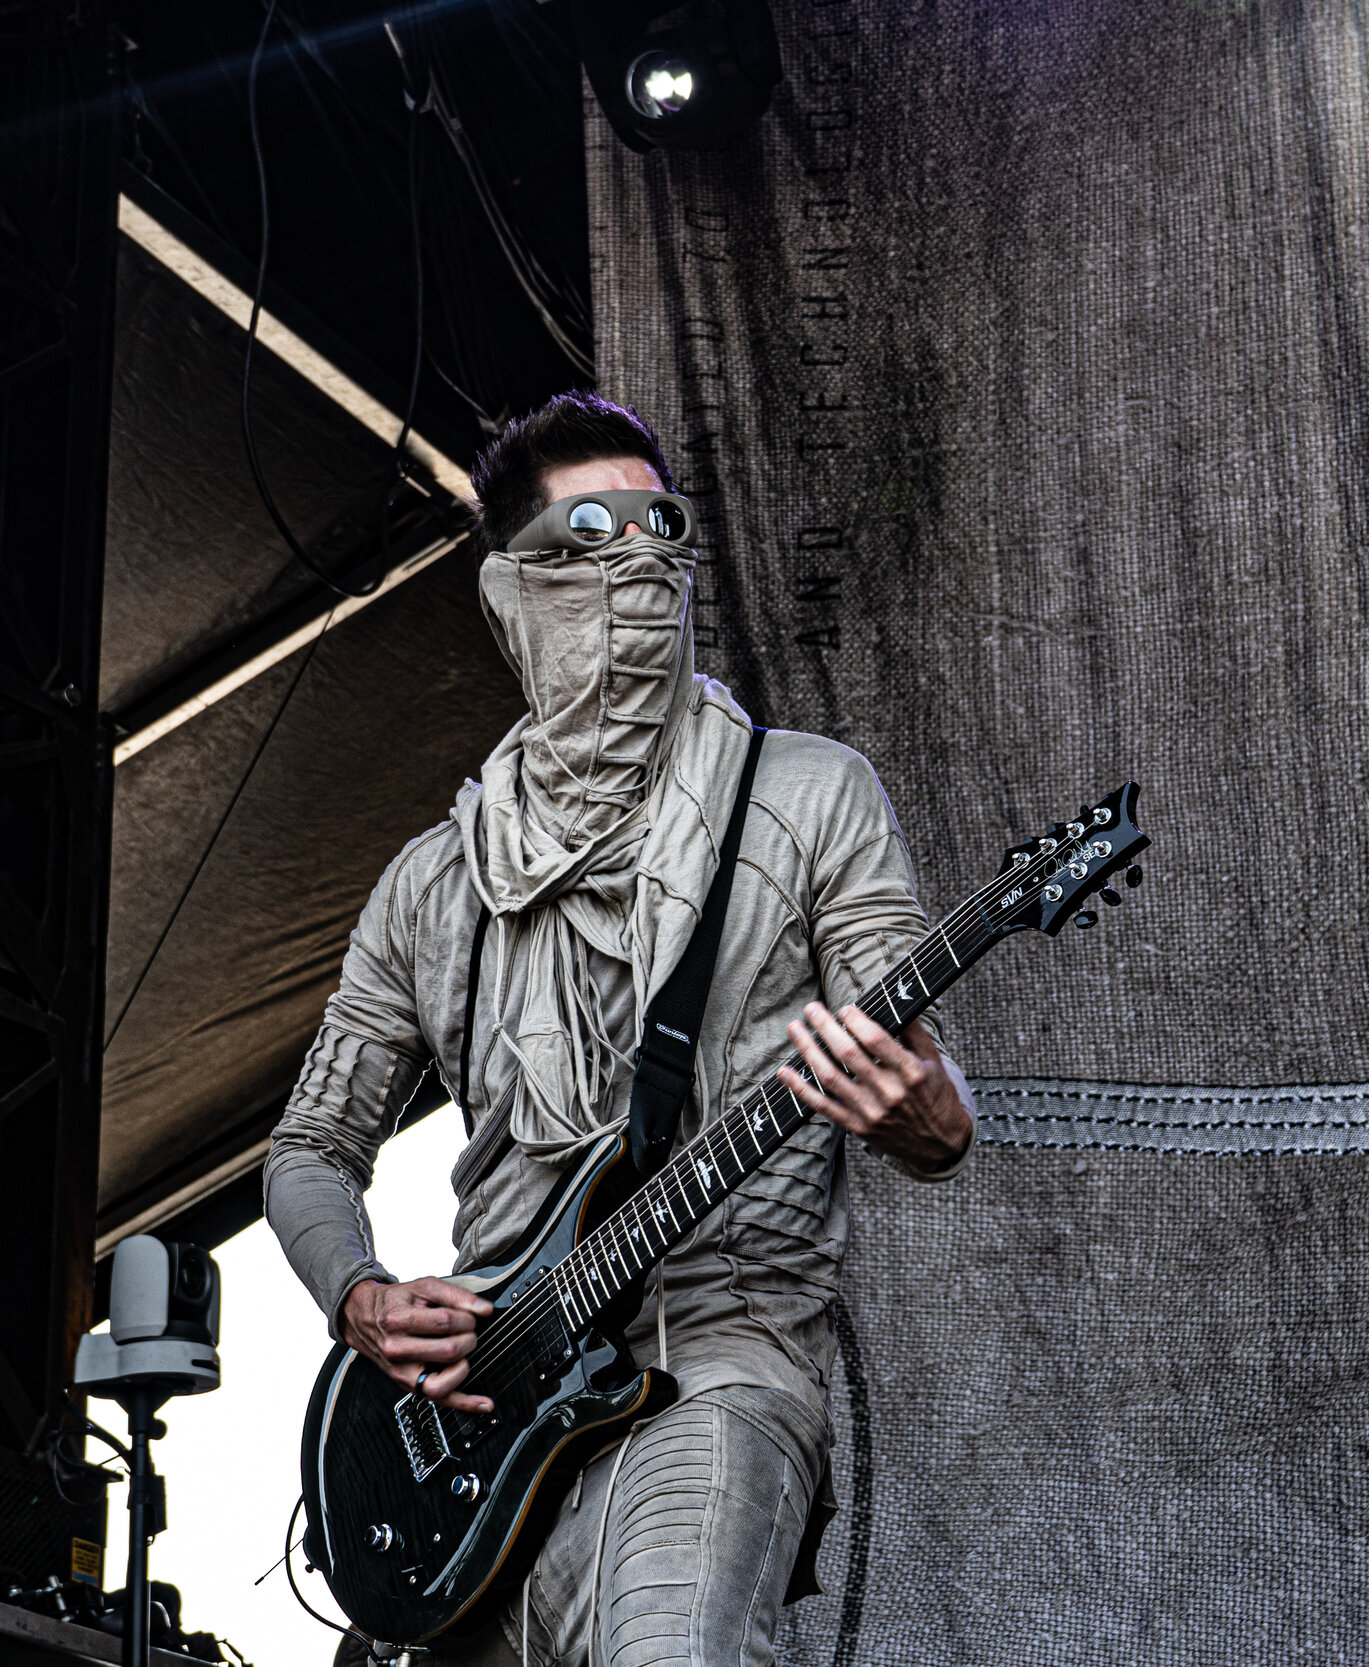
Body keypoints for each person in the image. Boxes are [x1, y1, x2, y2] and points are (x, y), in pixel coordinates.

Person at [263, 391, 974, 1666]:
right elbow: (308, 1146)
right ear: (509, 593)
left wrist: (930, 1115)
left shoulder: (808, 795)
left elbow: (908, 1061)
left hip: (716, 1356)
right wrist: (359, 1294)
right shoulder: (433, 882)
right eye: (590, 533)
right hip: (485, 1398)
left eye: (662, 527)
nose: (638, 558)